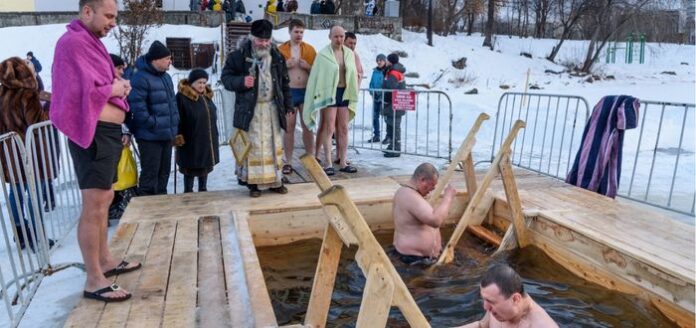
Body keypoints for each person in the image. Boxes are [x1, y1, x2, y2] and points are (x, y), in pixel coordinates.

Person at [50, 0, 141, 302]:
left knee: (106, 197)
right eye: (109, 16)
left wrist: (119, 85)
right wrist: (113, 89)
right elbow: (75, 91)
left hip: (107, 132)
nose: (113, 22)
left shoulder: (89, 42)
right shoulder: (73, 42)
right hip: (94, 133)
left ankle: (105, 260)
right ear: (87, 11)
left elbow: (99, 82)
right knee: (95, 203)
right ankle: (93, 278)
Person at [221, 19, 292, 197]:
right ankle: (254, 184)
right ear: (252, 38)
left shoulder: (277, 56)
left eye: (266, 40)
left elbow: (284, 83)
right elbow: (226, 78)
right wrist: (241, 81)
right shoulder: (238, 56)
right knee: (253, 147)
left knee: (273, 146)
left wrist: (288, 104)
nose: (264, 44)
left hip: (272, 109)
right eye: (260, 40)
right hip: (249, 110)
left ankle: (276, 180)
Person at [0, 57, 55, 251]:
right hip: (32, 151)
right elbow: (38, 123)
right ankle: (38, 236)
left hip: (9, 151)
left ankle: (21, 234)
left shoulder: (1, 94)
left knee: (16, 191)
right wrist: (49, 109)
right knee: (35, 192)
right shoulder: (28, 95)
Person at [303, 25, 359, 176]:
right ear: (330, 37)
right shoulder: (323, 55)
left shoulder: (348, 54)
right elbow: (317, 76)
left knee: (343, 128)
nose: (339, 39)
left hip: (344, 92)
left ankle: (343, 161)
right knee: (329, 128)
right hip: (330, 93)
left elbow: (353, 74)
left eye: (341, 36)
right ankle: (328, 162)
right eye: (336, 36)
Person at [126, 41, 179, 196]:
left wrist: (174, 125)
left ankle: (161, 205)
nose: (170, 61)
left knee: (164, 173)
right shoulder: (140, 78)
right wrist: (153, 123)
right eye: (167, 58)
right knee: (150, 174)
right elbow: (137, 106)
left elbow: (171, 104)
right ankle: (145, 209)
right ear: (156, 60)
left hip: (166, 134)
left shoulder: (167, 77)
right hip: (149, 135)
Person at [391, 163, 456, 265]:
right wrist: (448, 198)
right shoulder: (409, 196)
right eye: (432, 186)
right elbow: (435, 221)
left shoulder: (407, 193)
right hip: (412, 259)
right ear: (422, 180)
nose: (432, 190)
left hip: (417, 258)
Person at [458, 264, 559, 328]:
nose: (485, 307)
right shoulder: (497, 309)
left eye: (491, 302)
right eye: (484, 299)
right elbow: (482, 326)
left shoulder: (542, 325)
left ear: (515, 299)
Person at [278, 19, 316, 175]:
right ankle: (288, 161)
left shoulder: (310, 50)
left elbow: (318, 71)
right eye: (296, 32)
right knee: (289, 127)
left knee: (308, 126)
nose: (299, 35)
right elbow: (273, 71)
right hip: (289, 92)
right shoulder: (281, 50)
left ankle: (311, 159)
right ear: (290, 31)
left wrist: (308, 67)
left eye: (301, 32)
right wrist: (284, 66)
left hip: (306, 91)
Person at [174, 69, 220, 193]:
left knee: (204, 168)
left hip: (205, 140)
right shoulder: (182, 97)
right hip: (190, 141)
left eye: (204, 82)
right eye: (199, 82)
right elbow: (176, 118)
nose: (202, 85)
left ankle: (203, 190)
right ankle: (188, 192)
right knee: (190, 169)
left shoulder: (205, 97)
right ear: (191, 82)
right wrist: (178, 136)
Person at [382, 53, 406, 157]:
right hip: (394, 103)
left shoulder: (394, 72)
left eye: (387, 60)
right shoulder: (394, 71)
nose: (386, 62)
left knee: (394, 126)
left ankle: (395, 149)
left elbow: (390, 87)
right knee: (391, 125)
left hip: (394, 103)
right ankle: (392, 146)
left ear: (390, 61)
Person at [368, 53, 387, 143]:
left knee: (386, 117)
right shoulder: (375, 71)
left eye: (381, 60)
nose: (379, 62)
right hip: (375, 98)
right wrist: (372, 92)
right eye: (377, 60)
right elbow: (371, 83)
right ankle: (376, 135)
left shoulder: (387, 71)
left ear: (384, 61)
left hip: (384, 98)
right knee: (375, 117)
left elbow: (387, 83)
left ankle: (389, 136)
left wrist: (383, 93)